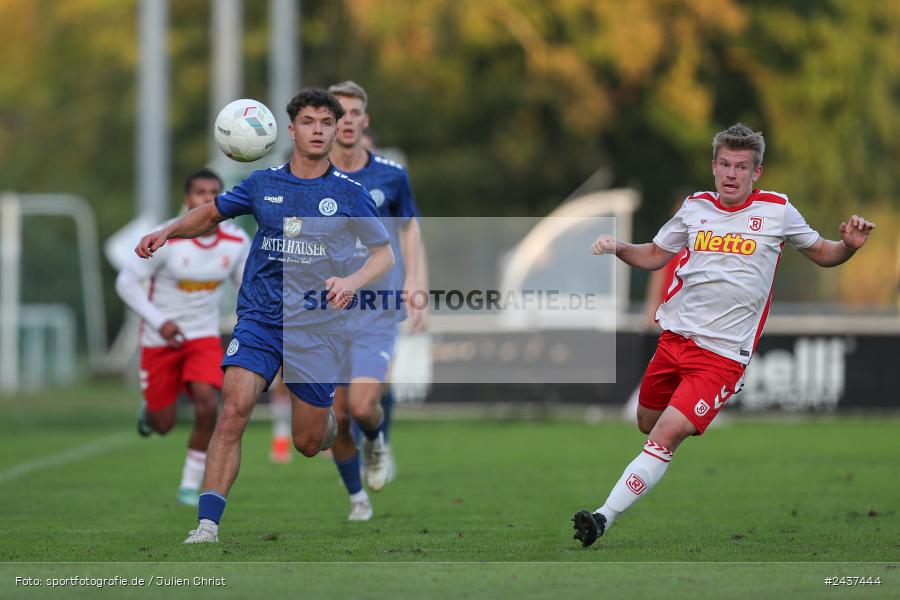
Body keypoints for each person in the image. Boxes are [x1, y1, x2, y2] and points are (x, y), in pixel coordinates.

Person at [573, 123, 876, 547]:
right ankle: (653, 450)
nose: (732, 174)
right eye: (725, 165)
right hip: (674, 340)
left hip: (722, 357)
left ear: (757, 173)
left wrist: (849, 246)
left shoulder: (777, 210)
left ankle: (602, 517)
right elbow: (657, 254)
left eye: (742, 167)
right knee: (647, 423)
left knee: (665, 436)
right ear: (714, 167)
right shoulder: (695, 207)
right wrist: (619, 247)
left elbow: (823, 252)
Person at [135, 88, 394, 544]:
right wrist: (169, 230)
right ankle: (207, 525)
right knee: (231, 410)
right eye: (309, 122)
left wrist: (351, 282)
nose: (318, 129)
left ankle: (340, 425)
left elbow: (383, 256)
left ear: (336, 131)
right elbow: (211, 215)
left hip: (316, 327)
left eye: (326, 123)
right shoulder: (263, 184)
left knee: (309, 442)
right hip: (259, 319)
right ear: (291, 130)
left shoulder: (349, 194)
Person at [116, 168, 250, 506]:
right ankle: (150, 412)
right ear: (186, 199)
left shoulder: (236, 242)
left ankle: (189, 484)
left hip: (202, 336)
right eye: (199, 192)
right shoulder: (167, 239)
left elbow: (245, 287)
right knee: (163, 424)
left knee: (208, 406)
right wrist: (159, 321)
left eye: (213, 193)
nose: (206, 199)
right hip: (160, 339)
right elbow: (126, 283)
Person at [325, 81, 426, 521]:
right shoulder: (307, 174)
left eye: (353, 112)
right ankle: (356, 497)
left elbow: (410, 229)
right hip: (323, 307)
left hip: (377, 304)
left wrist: (417, 284)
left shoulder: (390, 174)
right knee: (337, 416)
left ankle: (377, 442)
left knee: (364, 405)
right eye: (337, 113)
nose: (347, 120)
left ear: (365, 120)